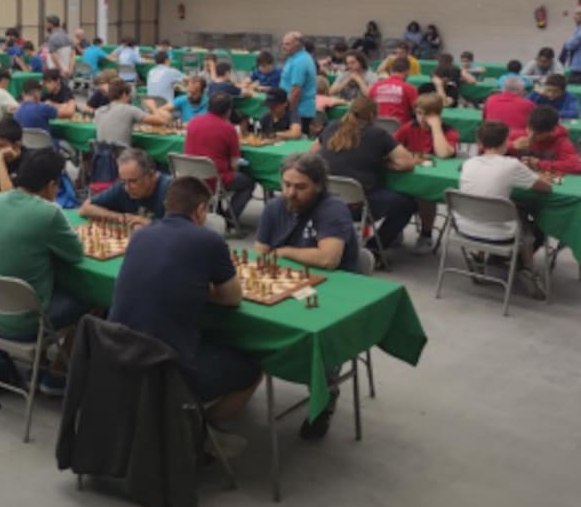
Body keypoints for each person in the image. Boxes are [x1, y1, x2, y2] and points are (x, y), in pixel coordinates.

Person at [109, 177, 260, 425]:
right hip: (166, 365)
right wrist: (202, 287)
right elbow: (232, 298)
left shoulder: (140, 235)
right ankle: (198, 432)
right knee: (254, 366)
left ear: (167, 205)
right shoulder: (209, 241)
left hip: (118, 351)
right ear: (200, 210)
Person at [254, 151, 360, 438]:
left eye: (300, 187)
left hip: (334, 290)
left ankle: (325, 398)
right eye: (286, 184)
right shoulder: (275, 206)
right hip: (286, 285)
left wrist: (285, 252)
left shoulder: (332, 208)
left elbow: (328, 259)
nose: (291, 193)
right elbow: (260, 254)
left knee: (318, 336)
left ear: (319, 185)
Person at [0, 148, 87, 346]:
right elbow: (76, 254)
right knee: (91, 300)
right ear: (51, 185)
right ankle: (64, 364)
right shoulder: (48, 213)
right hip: (26, 324)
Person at [456, 120, 552, 298]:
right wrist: (542, 176)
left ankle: (477, 256)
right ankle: (528, 269)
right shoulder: (511, 165)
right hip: (499, 234)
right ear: (506, 141)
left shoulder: (468, 163)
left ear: (480, 142)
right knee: (524, 219)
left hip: (464, 229)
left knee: (487, 205)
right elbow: (546, 188)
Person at [311, 97, 419, 254]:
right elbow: (407, 162)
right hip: (358, 206)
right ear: (373, 116)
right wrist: (384, 163)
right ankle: (375, 248)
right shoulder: (378, 135)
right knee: (407, 204)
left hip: (325, 200)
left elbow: (312, 155)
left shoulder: (331, 126)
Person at [394, 93, 459, 249]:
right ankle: (395, 229)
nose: (421, 118)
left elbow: (443, 153)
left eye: (426, 115)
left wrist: (436, 127)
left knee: (425, 195)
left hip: (434, 182)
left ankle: (426, 234)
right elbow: (391, 146)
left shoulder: (448, 131)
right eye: (418, 113)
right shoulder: (409, 127)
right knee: (395, 192)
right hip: (411, 176)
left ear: (437, 115)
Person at [183, 92, 255, 223]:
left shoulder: (193, 121)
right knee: (248, 183)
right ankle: (229, 220)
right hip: (215, 180)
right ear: (228, 111)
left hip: (190, 176)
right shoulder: (228, 129)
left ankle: (219, 210)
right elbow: (234, 164)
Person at [80, 148, 172, 225]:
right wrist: (118, 216)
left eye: (133, 181)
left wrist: (147, 222)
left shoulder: (170, 189)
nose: (127, 188)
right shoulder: (122, 186)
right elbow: (85, 208)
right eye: (123, 181)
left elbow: (177, 229)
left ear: (151, 175)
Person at [95, 79, 171, 147]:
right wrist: (153, 107)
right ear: (124, 94)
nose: (129, 98)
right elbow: (161, 121)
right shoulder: (129, 109)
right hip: (121, 155)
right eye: (129, 95)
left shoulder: (99, 111)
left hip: (100, 155)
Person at [509, 105, 581, 174]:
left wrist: (540, 164)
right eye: (529, 129)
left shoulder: (561, 142)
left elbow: (576, 166)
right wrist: (512, 146)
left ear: (552, 131)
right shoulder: (518, 136)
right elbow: (501, 146)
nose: (530, 136)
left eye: (538, 134)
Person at [280, 31, 318, 133]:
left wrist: (286, 111)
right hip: (296, 110)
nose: (283, 47)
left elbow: (296, 91)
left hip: (298, 111)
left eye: (287, 44)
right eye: (283, 44)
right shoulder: (294, 57)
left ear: (297, 45)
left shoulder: (300, 61)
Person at [369, 57, 418, 123]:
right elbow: (417, 109)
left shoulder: (375, 86)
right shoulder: (410, 88)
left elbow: (368, 106)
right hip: (401, 127)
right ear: (407, 72)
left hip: (377, 126)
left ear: (391, 70)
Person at [560, 7, 581, 85]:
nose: (574, 16)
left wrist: (568, 42)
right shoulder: (578, 28)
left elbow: (569, 45)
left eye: (578, 14)